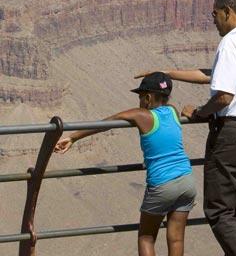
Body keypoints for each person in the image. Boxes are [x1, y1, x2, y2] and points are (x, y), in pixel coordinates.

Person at [137, 0, 236, 256]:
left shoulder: (231, 42)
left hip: (233, 134)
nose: (212, 20)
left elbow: (223, 96)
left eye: (214, 14)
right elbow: (212, 75)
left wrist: (199, 113)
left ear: (227, 12)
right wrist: (166, 73)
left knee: (218, 210)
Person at [54, 72, 196, 256]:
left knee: (146, 237)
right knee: (176, 238)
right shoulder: (172, 111)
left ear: (148, 98)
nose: (138, 101)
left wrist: (73, 137)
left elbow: (109, 122)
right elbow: (182, 110)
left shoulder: (142, 115)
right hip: (187, 180)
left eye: (140, 97)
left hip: (163, 184)